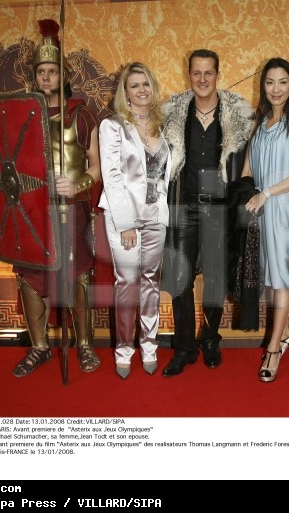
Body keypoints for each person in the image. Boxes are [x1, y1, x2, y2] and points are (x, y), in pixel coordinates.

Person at [12, 19, 101, 377]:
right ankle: (39, 348)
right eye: (41, 71)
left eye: (52, 71)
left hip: (70, 208)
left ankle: (84, 345)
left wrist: (76, 186)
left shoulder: (81, 115)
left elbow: (96, 167)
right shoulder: (22, 115)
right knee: (30, 276)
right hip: (32, 211)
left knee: (77, 275)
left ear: (63, 75)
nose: (46, 77)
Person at [161, 49, 254, 376]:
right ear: (189, 74)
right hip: (184, 205)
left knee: (215, 278)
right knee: (180, 278)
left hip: (219, 208)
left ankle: (211, 339)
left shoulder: (238, 116)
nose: (202, 79)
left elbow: (250, 162)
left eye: (208, 73)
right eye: (196, 73)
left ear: (217, 75)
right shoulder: (172, 115)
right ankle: (184, 347)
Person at [98, 63, 171, 379]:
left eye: (145, 84)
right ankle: (124, 351)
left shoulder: (162, 125)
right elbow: (112, 176)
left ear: (153, 88)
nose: (141, 90)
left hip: (156, 217)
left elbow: (164, 175)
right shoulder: (112, 126)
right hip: (124, 218)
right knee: (127, 284)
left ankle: (150, 347)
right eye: (134, 85)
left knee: (151, 282)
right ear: (125, 93)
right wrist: (125, 223)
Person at [242, 57, 289, 383]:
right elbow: (248, 169)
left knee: (281, 276)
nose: (276, 88)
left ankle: (273, 349)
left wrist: (266, 194)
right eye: (270, 82)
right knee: (269, 277)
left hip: (285, 207)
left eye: (283, 82)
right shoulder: (259, 123)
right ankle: (284, 334)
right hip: (259, 208)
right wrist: (244, 197)